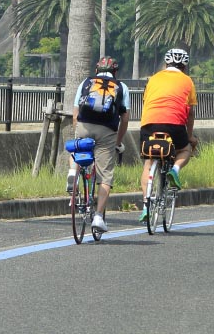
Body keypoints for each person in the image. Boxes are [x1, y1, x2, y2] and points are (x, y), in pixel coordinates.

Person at [138, 47, 198, 222]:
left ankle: (145, 206)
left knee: (149, 163)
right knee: (184, 149)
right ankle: (175, 169)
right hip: (174, 125)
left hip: (149, 124)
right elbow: (190, 112)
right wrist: (189, 136)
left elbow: (146, 101)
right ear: (185, 67)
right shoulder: (187, 81)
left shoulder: (153, 79)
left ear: (166, 64)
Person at [71, 55, 130, 233]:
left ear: (96, 70)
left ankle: (73, 173)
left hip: (84, 125)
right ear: (115, 72)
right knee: (105, 176)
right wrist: (118, 142)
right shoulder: (122, 87)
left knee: (76, 149)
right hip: (107, 131)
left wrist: (79, 130)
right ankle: (98, 216)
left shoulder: (86, 82)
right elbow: (125, 118)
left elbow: (76, 111)